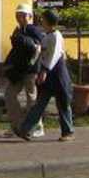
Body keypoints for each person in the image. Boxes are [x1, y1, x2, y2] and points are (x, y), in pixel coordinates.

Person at [14, 8, 74, 141]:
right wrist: (35, 65)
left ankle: (68, 131)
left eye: (43, 19)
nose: (41, 21)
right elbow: (41, 53)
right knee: (40, 103)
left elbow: (54, 55)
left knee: (63, 103)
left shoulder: (56, 36)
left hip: (57, 74)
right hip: (47, 74)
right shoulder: (46, 36)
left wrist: (45, 70)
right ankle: (25, 129)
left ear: (48, 20)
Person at [2, 3, 45, 138]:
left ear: (30, 16)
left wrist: (36, 65)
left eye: (23, 15)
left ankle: (37, 126)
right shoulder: (18, 30)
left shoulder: (34, 30)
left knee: (31, 97)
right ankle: (18, 124)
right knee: (9, 95)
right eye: (18, 15)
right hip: (18, 70)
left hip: (31, 70)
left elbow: (40, 48)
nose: (20, 18)